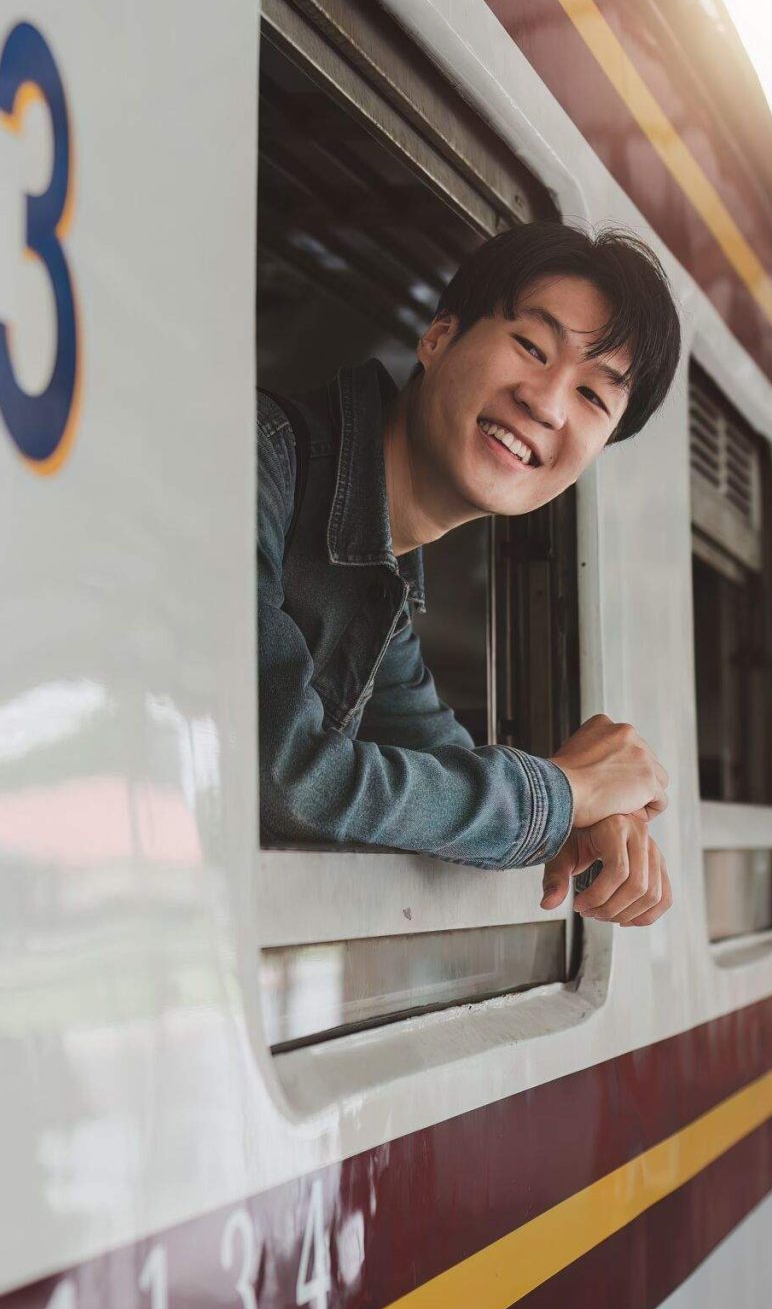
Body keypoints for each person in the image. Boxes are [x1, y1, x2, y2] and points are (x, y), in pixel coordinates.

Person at [256, 219, 683, 927]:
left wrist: (583, 816)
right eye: (530, 346)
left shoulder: (380, 596)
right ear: (438, 337)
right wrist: (569, 792)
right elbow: (289, 781)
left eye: (592, 397)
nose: (546, 403)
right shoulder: (260, 464)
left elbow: (444, 773)